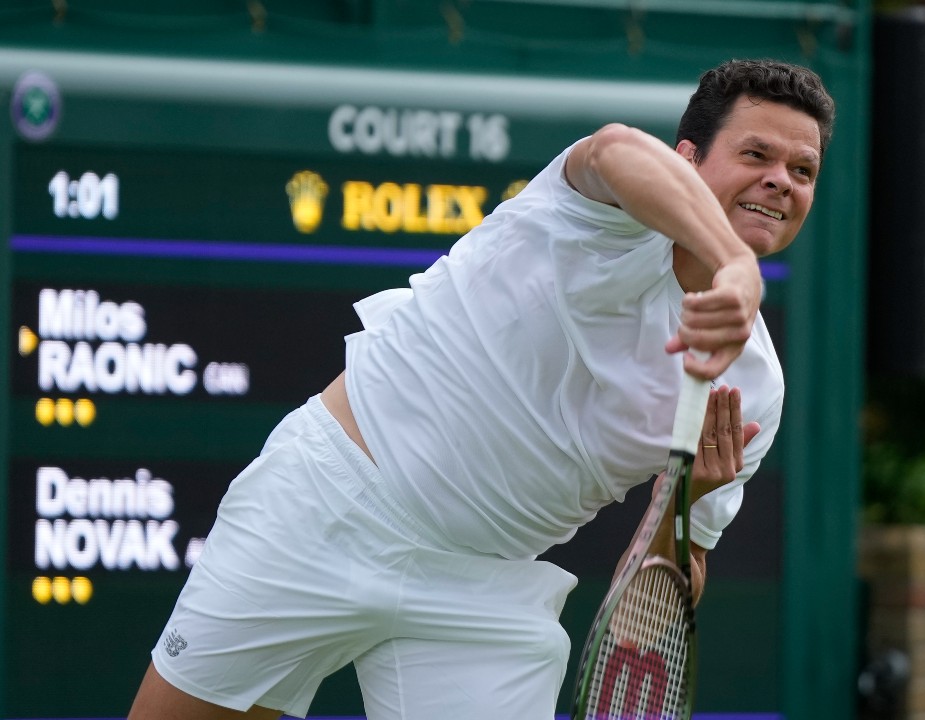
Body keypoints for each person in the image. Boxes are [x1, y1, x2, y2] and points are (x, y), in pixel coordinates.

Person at [127, 58, 835, 720]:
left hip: (487, 592)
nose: (782, 181)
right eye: (756, 155)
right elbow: (615, 149)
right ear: (686, 159)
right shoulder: (598, 213)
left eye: (802, 170)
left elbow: (664, 582)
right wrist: (733, 263)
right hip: (327, 502)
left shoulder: (754, 388)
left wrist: (682, 504)